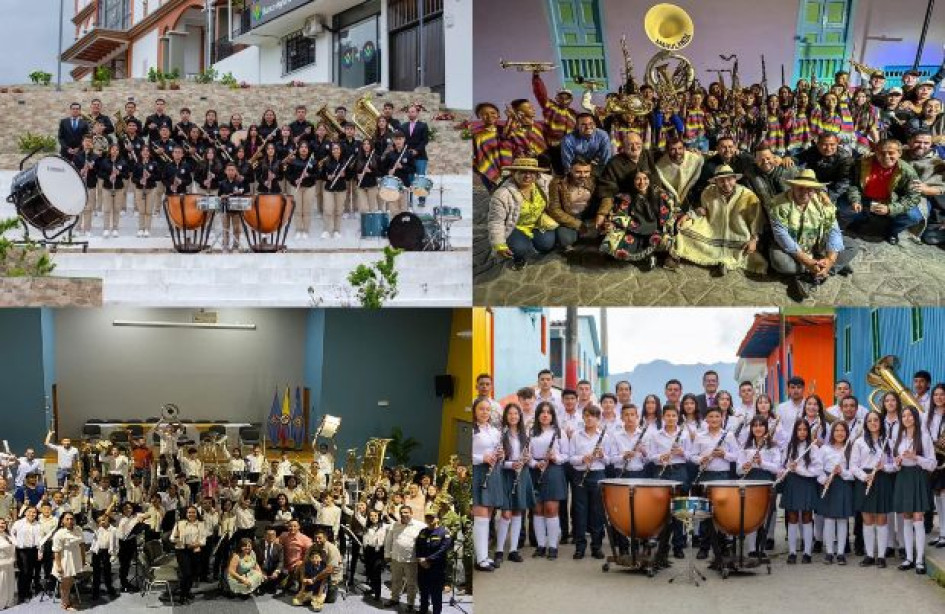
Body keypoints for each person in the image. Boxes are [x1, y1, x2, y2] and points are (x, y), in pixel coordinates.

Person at [767, 168, 856, 300]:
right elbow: (782, 237)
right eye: (800, 188)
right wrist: (807, 261)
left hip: (816, 243)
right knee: (779, 262)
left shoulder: (823, 203)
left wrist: (830, 259)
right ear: (793, 187)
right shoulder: (778, 204)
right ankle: (826, 269)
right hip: (793, 250)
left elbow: (833, 230)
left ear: (815, 190)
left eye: (810, 189)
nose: (805, 192)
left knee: (852, 246)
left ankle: (818, 272)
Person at [671, 164, 765, 276]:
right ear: (715, 181)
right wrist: (690, 214)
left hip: (738, 234)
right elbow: (702, 211)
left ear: (735, 179)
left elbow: (757, 220)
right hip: (712, 231)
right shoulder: (708, 192)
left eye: (729, 179)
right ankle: (720, 262)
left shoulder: (748, 196)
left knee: (748, 253)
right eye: (721, 180)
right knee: (684, 228)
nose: (726, 184)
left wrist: (754, 239)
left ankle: (724, 263)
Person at [843, 139, 922, 244]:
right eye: (882, 153)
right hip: (865, 198)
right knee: (843, 205)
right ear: (875, 152)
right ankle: (860, 221)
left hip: (891, 201)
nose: (886, 157)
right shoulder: (862, 164)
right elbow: (853, 185)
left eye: (891, 153)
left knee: (914, 216)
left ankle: (893, 231)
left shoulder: (907, 171)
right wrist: (855, 200)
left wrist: (890, 209)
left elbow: (913, 197)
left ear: (899, 153)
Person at [599, 170, 679, 269]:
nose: (642, 182)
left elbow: (671, 211)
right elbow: (619, 215)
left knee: (664, 241)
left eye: (645, 179)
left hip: (656, 230)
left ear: (649, 180)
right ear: (633, 181)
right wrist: (611, 224)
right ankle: (645, 258)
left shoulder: (660, 194)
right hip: (634, 230)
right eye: (638, 179)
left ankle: (651, 256)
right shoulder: (626, 197)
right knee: (611, 242)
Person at [487, 157, 556, 270]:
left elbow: (562, 184)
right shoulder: (502, 195)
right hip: (515, 225)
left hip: (538, 222)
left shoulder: (544, 183)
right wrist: (499, 244)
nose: (527, 176)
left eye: (532, 172)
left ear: (537, 174)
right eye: (522, 172)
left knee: (546, 245)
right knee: (519, 248)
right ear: (513, 173)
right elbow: (495, 221)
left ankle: (534, 243)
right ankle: (519, 258)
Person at [892, 405, 936, 574]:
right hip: (903, 477)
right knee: (906, 517)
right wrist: (897, 463)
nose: (907, 418)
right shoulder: (899, 437)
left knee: (918, 517)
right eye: (904, 416)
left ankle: (919, 559)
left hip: (918, 477)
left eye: (910, 415)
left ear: (916, 418)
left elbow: (932, 464)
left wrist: (915, 457)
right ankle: (909, 558)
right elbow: (894, 466)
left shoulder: (924, 437)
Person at [494, 403, 536, 566]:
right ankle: (499, 550)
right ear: (506, 416)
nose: (513, 416)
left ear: (520, 417)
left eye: (516, 414)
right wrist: (511, 465)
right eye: (510, 414)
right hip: (506, 475)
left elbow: (529, 458)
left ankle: (513, 550)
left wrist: (528, 460)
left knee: (518, 512)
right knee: (506, 514)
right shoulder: (501, 435)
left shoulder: (525, 437)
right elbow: (499, 460)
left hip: (522, 474)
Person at [646, 404, 690, 558]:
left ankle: (678, 545)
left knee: (680, 510)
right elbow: (650, 456)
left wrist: (682, 452)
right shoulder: (656, 435)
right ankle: (663, 545)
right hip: (662, 472)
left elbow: (692, 455)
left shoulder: (684, 434)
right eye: (668, 416)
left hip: (679, 471)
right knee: (663, 511)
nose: (671, 418)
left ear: (677, 417)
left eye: (673, 416)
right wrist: (661, 457)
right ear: (663, 417)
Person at [852, 411, 894, 568]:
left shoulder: (888, 441)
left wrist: (886, 466)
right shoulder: (859, 442)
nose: (873, 423)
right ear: (866, 423)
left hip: (882, 479)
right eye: (869, 421)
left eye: (876, 420)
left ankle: (881, 556)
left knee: (882, 519)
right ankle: (869, 555)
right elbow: (853, 465)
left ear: (880, 422)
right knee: (867, 519)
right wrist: (864, 476)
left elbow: (896, 465)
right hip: (865, 480)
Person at [779, 419, 822, 564]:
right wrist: (785, 469)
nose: (802, 432)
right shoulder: (789, 447)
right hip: (792, 482)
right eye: (799, 429)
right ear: (795, 431)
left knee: (807, 516)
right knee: (792, 517)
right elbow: (782, 465)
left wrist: (800, 469)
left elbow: (817, 469)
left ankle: (807, 552)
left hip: (807, 483)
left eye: (805, 429)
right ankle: (792, 552)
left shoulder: (813, 448)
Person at [528, 402, 567, 560]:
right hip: (536, 469)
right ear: (537, 415)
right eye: (542, 412)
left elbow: (567, 455)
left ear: (552, 415)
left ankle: (552, 546)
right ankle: (541, 545)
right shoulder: (531, 432)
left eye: (548, 412)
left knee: (551, 509)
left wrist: (555, 457)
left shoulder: (559, 432)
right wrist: (534, 463)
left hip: (553, 470)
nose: (545, 415)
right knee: (537, 509)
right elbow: (527, 454)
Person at [546, 158, 599, 251]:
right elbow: (554, 209)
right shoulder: (558, 183)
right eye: (578, 172)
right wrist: (577, 224)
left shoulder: (594, 181)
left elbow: (605, 198)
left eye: (586, 172)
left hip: (588, 215)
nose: (583, 175)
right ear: (570, 170)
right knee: (566, 240)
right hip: (568, 215)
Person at [384, 505, 424, 609]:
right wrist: (387, 554)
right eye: (402, 513)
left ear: (411, 513)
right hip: (396, 558)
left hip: (411, 559)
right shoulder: (394, 525)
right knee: (395, 580)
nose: (403, 515)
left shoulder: (420, 526)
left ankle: (410, 603)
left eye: (406, 512)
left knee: (411, 583)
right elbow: (388, 541)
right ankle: (394, 599)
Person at [654, 137, 704, 212]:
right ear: (667, 150)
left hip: (692, 194)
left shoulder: (694, 158)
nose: (677, 152)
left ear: (684, 148)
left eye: (680, 148)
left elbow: (701, 161)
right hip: (671, 198)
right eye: (673, 149)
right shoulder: (661, 166)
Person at [416, 510, 451, 614]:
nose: (429, 519)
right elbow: (417, 546)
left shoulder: (444, 532)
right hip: (422, 566)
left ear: (438, 519)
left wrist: (428, 560)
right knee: (423, 591)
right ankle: (423, 610)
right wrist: (419, 559)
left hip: (437, 567)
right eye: (427, 517)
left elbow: (444, 549)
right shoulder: (422, 532)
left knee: (436, 592)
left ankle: (436, 612)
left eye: (432, 517)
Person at [171, 505, 206, 604]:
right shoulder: (179, 523)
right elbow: (171, 538)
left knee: (193, 574)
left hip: (195, 549)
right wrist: (177, 538)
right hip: (182, 550)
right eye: (189, 512)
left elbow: (203, 540)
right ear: (186, 514)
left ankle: (187, 591)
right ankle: (182, 595)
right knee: (186, 573)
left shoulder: (201, 524)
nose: (191, 514)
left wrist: (197, 544)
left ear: (196, 513)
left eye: (193, 512)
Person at [52, 511, 85, 612]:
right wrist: (58, 566)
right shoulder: (59, 534)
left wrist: (83, 559)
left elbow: (82, 545)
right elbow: (56, 551)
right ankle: (65, 603)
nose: (70, 521)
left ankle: (67, 599)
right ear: (62, 521)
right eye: (67, 519)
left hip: (75, 558)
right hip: (65, 560)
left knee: (70, 581)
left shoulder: (78, 530)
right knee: (65, 583)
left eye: (72, 519)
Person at [11, 506, 41, 603]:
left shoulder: (38, 524)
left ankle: (27, 592)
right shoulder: (18, 523)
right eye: (29, 512)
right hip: (22, 550)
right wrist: (16, 543)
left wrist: (40, 552)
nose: (32, 514)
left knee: (30, 572)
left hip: (33, 550)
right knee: (23, 572)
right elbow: (11, 533)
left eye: (34, 513)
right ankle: (21, 594)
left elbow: (40, 540)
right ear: (25, 513)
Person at [403, 105, 430, 206]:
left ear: (417, 113)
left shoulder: (423, 125)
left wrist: (417, 150)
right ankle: (409, 200)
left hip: (420, 156)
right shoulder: (404, 126)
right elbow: (403, 141)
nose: (411, 114)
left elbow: (425, 140)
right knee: (409, 177)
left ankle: (421, 199)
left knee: (421, 178)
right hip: (408, 156)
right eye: (409, 112)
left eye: (413, 112)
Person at [89, 511, 118, 600]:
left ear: (108, 518)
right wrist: (90, 510)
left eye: (104, 519)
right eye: (100, 520)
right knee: (96, 572)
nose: (103, 521)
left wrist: (114, 554)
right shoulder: (97, 528)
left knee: (107, 572)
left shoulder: (113, 529)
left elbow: (116, 543)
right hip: (97, 552)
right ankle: (95, 591)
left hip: (107, 552)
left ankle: (109, 588)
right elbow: (89, 521)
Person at [362, 509, 389, 601]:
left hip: (379, 552)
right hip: (368, 551)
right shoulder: (367, 527)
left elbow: (395, 524)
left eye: (375, 516)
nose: (373, 517)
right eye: (371, 516)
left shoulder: (385, 526)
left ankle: (378, 594)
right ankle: (373, 589)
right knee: (369, 572)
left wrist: (390, 514)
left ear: (379, 516)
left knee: (376, 572)